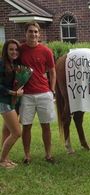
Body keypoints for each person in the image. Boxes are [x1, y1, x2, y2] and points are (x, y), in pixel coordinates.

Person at [19, 21, 56, 164]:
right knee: (26, 126)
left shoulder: (46, 51)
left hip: (43, 93)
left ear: (39, 34)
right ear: (26, 33)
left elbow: (52, 72)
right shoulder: (20, 50)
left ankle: (48, 154)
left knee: (45, 125)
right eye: (30, 31)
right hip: (26, 95)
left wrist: (52, 90)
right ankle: (27, 156)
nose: (33, 34)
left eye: (35, 32)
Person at [0, 39, 24, 168]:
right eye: (11, 49)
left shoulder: (12, 64)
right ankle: (2, 160)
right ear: (6, 50)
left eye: (16, 49)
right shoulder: (2, 63)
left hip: (10, 101)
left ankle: (5, 158)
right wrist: (13, 93)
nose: (14, 52)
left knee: (6, 131)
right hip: (4, 101)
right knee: (16, 133)